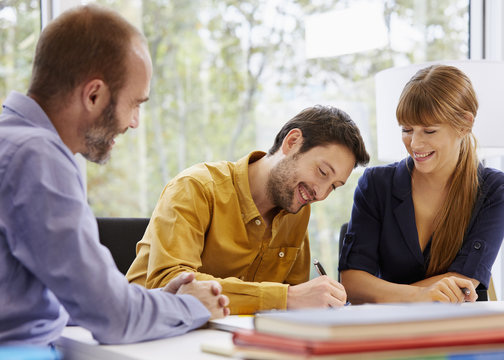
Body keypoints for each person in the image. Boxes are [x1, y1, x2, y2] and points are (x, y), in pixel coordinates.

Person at [0, 4, 229, 346]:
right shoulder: (37, 158)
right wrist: (190, 306)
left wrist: (162, 303)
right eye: (135, 104)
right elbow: (115, 318)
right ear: (94, 95)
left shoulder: (13, 142)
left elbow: (76, 298)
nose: (134, 122)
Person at [126, 105, 370, 314]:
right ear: (292, 142)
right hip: (149, 340)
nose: (321, 193)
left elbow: (298, 298)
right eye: (322, 172)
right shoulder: (195, 187)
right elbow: (171, 284)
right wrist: (285, 297)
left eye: (334, 187)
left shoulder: (298, 212)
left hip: (233, 343)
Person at [339, 65, 504, 304]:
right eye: (407, 129)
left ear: (464, 124)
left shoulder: (495, 189)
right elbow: (353, 283)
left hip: (457, 331)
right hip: (388, 330)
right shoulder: (376, 184)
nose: (415, 143)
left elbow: (463, 281)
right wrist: (419, 295)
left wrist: (383, 293)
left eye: (429, 131)